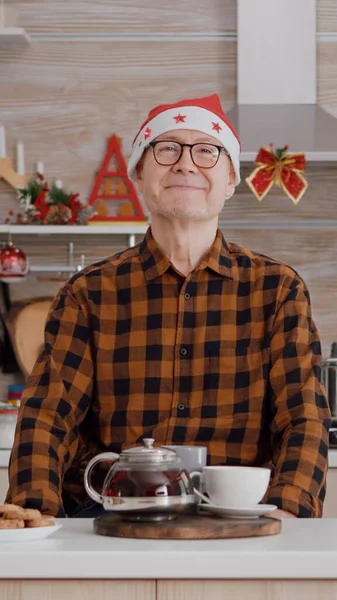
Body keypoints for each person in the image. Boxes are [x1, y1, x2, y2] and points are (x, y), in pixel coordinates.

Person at [6, 94, 331, 519]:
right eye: (167, 148)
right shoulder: (88, 293)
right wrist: (32, 513)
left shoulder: (278, 290)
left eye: (206, 150)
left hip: (238, 518)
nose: (186, 163)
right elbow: (48, 417)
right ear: (139, 173)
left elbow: (303, 417)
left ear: (231, 179)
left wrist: (289, 511)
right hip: (107, 518)